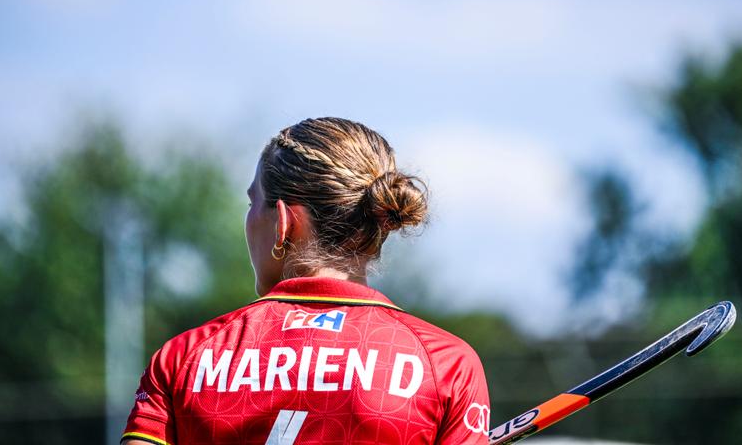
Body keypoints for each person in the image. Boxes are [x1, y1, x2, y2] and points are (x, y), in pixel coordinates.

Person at [121, 117, 491, 444]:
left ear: (283, 222)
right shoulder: (445, 365)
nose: (249, 219)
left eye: (252, 203)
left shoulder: (183, 359)